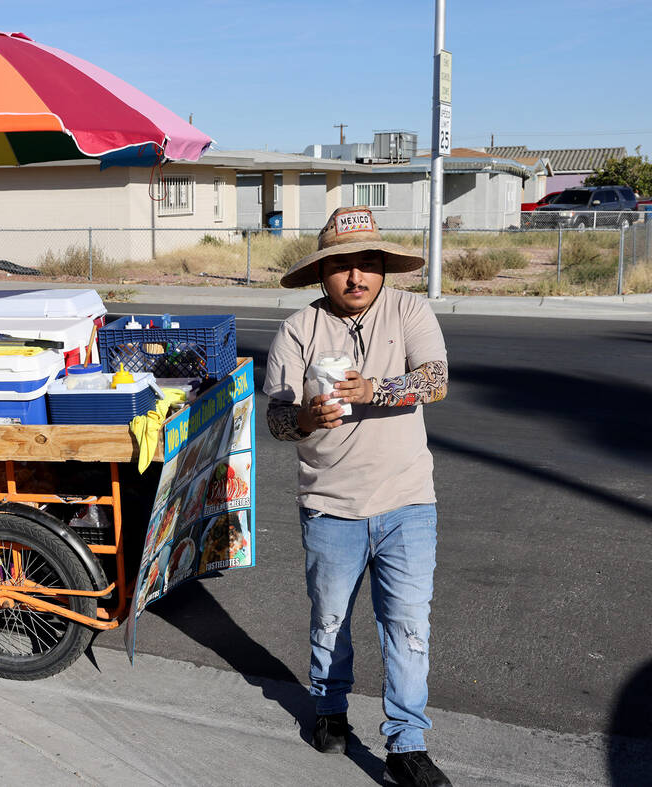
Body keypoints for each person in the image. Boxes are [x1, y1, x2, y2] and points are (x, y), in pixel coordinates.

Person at [263, 206, 451, 787]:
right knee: (331, 619)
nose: (356, 277)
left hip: (408, 500)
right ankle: (329, 708)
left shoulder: (410, 310)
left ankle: (407, 744)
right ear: (323, 272)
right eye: (342, 265)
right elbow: (276, 419)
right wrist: (306, 418)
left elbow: (436, 380)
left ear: (383, 269)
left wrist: (377, 388)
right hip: (329, 504)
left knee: (408, 623)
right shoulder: (299, 328)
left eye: (368, 264)